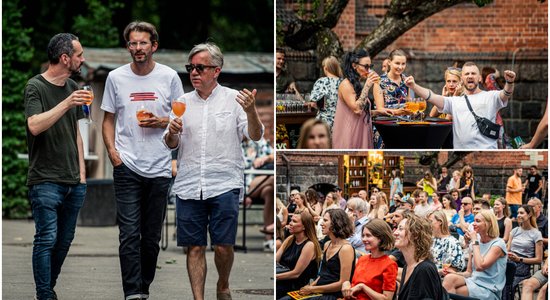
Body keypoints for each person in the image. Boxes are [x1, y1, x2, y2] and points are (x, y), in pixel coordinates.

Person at [164, 42, 263, 300]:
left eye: (200, 67)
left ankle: (223, 284)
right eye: (190, 68)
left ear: (216, 70)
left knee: (222, 246)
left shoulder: (234, 99)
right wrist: (172, 133)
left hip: (224, 183)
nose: (194, 72)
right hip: (189, 184)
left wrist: (252, 110)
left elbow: (255, 135)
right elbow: (170, 143)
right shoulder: (181, 102)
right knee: (194, 247)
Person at [101, 22, 184, 300]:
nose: (138, 48)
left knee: (150, 240)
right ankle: (133, 293)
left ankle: (144, 287)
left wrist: (162, 121)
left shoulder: (169, 77)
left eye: (143, 43)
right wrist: (113, 154)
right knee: (128, 234)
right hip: (127, 166)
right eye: (133, 43)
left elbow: (180, 118)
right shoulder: (115, 77)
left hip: (159, 167)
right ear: (128, 47)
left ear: (154, 46)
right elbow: (108, 120)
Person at [24, 33, 88, 300]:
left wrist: (82, 176)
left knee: (63, 242)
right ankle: (44, 294)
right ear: (65, 58)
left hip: (74, 182)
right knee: (46, 238)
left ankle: (47, 288)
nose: (83, 60)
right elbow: (35, 125)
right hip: (45, 180)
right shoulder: (35, 87)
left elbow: (76, 133)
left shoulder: (73, 85)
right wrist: (66, 103)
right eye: (79, 55)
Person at [404, 61, 516, 149]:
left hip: (487, 148)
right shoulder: (454, 101)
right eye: (467, 74)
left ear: (479, 78)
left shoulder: (491, 96)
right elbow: (431, 96)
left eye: (473, 73)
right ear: (462, 79)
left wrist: (510, 82)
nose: (470, 76)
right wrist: (414, 86)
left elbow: (506, 94)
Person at [290, 209, 355, 300]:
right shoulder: (327, 244)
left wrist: (313, 289)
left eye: (325, 220)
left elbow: (342, 283)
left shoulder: (346, 249)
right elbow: (322, 274)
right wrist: (309, 287)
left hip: (332, 294)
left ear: (336, 223)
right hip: (319, 290)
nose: (321, 224)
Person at [442, 210, 508, 300]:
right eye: (474, 220)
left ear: (488, 224)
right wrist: (455, 273)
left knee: (451, 293)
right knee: (449, 278)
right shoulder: (476, 241)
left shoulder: (498, 244)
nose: (473, 224)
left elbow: (480, 266)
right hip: (473, 281)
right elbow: (469, 272)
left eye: (478, 221)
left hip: (489, 289)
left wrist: (474, 241)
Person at [332, 49, 388, 149]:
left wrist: (379, 112)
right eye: (366, 66)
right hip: (351, 134)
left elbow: (362, 111)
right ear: (354, 66)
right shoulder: (346, 84)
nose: (369, 70)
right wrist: (367, 86)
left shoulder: (357, 84)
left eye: (370, 66)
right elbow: (357, 109)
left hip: (362, 132)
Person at [341, 219, 398, 300]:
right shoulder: (362, 259)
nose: (364, 239)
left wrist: (363, 287)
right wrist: (346, 284)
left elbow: (387, 298)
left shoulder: (389, 265)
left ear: (380, 238)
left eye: (368, 235)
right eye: (363, 235)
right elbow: (354, 284)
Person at [394, 213, 447, 299]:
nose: (395, 233)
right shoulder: (407, 266)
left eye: (400, 229)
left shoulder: (424, 269)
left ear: (415, 235)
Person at [276, 211, 322, 299]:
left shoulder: (309, 245)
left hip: (296, 286)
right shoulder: (290, 239)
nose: (290, 223)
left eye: (294, 221)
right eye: (291, 220)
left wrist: (275, 276)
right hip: (282, 279)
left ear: (304, 226)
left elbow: (296, 273)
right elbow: (275, 259)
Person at [505, 205, 543, 299]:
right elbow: (508, 249)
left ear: (529, 214)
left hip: (522, 266)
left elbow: (539, 259)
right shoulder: (514, 231)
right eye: (518, 213)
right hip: (509, 262)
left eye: (521, 213)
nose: (518, 215)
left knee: (507, 283)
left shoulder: (536, 234)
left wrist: (519, 259)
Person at [308, 55, 343, 129]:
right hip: (340, 123)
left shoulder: (321, 81)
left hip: (324, 122)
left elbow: (312, 104)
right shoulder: (343, 82)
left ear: (325, 68)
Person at [378, 49, 411, 114]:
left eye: (403, 64)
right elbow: (380, 109)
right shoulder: (379, 81)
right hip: (387, 121)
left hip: (405, 121)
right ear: (389, 62)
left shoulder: (406, 80)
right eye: (397, 63)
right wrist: (396, 112)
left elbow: (409, 104)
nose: (400, 67)